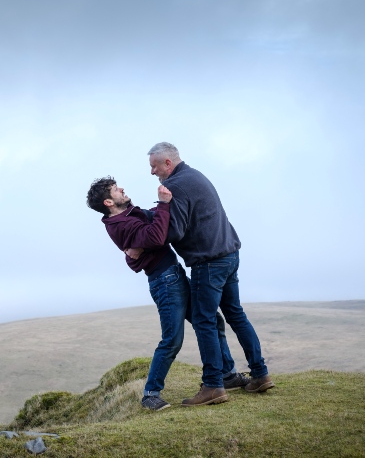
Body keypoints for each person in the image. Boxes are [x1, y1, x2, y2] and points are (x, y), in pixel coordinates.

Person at [86, 176, 249, 411]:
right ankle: (150, 394)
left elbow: (150, 228)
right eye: (115, 189)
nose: (122, 189)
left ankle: (227, 374)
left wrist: (153, 226)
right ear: (109, 202)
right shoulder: (120, 225)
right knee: (172, 338)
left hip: (174, 274)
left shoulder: (129, 214)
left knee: (214, 320)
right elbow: (156, 236)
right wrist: (163, 204)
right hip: (165, 282)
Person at [144, 142, 275, 407]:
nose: (152, 172)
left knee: (204, 321)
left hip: (208, 262)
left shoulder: (176, 186)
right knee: (236, 315)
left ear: (167, 163)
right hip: (229, 254)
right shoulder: (195, 175)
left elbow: (174, 232)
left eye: (154, 166)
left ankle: (213, 385)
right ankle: (260, 374)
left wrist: (157, 213)